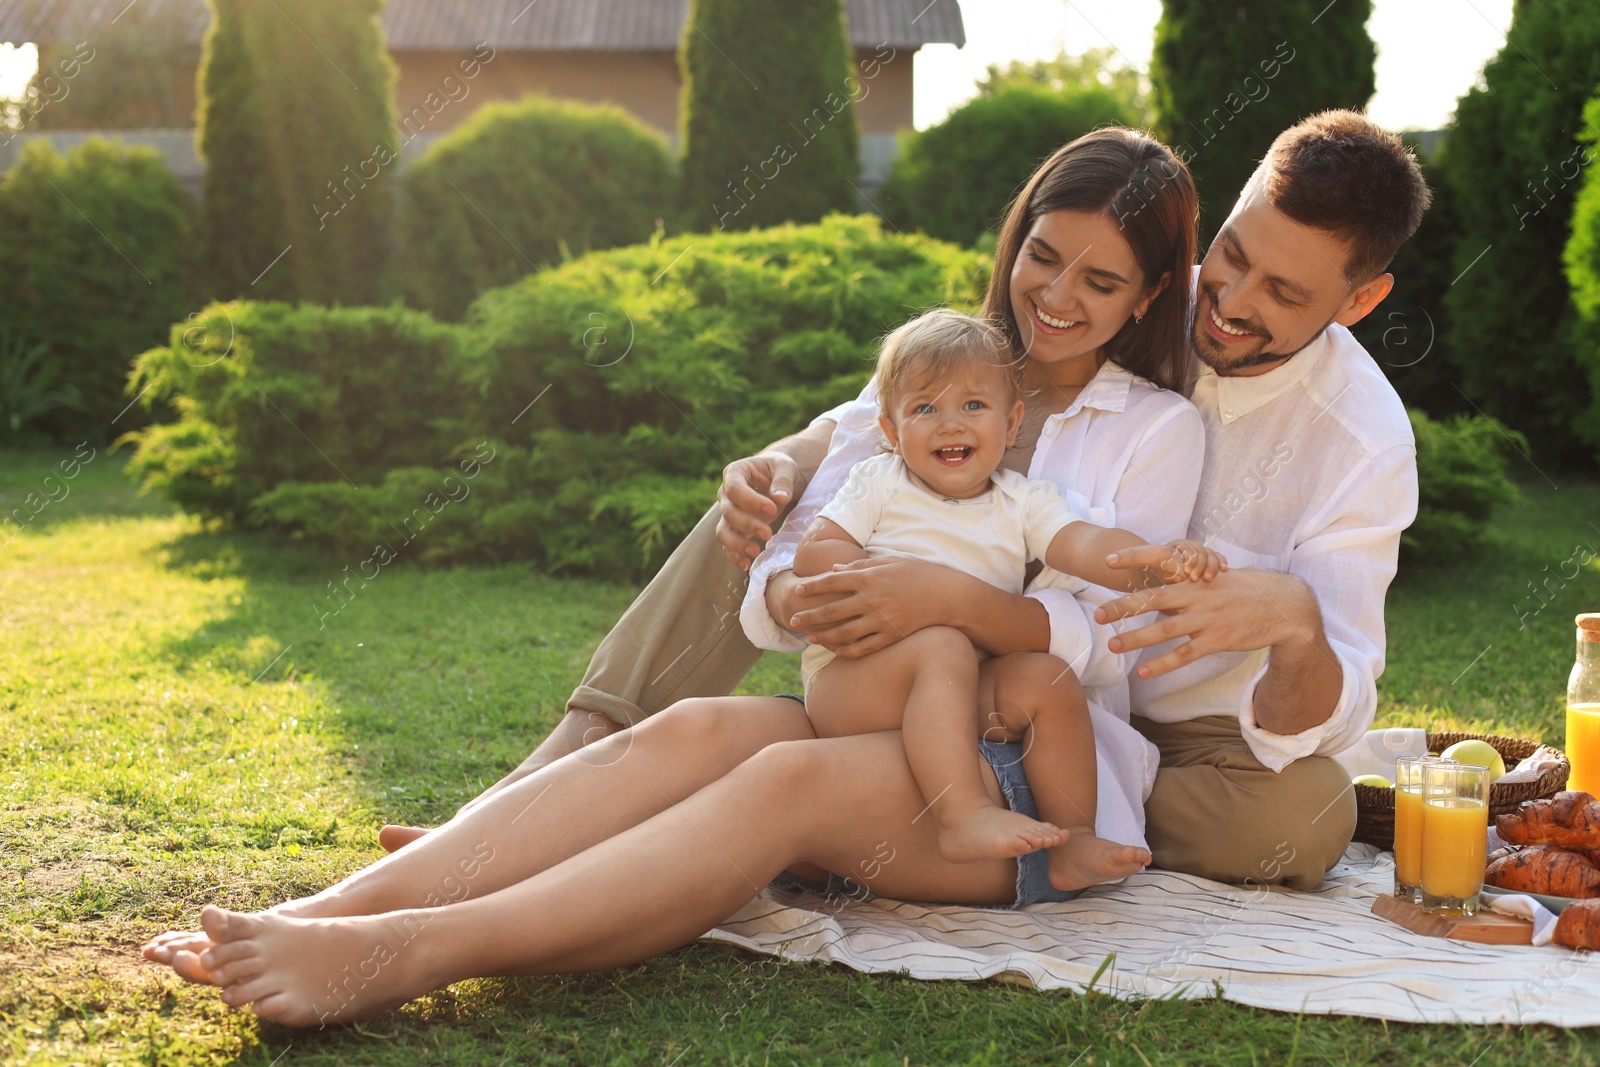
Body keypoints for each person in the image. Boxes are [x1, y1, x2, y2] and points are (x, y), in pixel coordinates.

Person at [143, 128, 1210, 1023]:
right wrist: (797, 577)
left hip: (1018, 776)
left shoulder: (1156, 429)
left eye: (1100, 279)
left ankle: (409, 951)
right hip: (870, 718)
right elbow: (796, 546)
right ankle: (331, 908)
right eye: (1043, 255)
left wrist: (948, 606)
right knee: (697, 726)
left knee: (776, 780)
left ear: (1149, 292)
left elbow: (1108, 632)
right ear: (1014, 239)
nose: (1056, 294)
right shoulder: (934, 373)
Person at [792, 308, 1222, 885]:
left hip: (953, 688)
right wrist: (878, 583)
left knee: (1047, 678)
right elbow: (815, 554)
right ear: (892, 432)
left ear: (1012, 421)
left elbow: (1084, 544)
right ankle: (961, 814)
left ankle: (1075, 843)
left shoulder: (1022, 501)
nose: (951, 424)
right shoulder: (879, 482)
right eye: (925, 408)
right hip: (854, 684)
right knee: (942, 645)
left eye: (973, 406)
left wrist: (1153, 562)